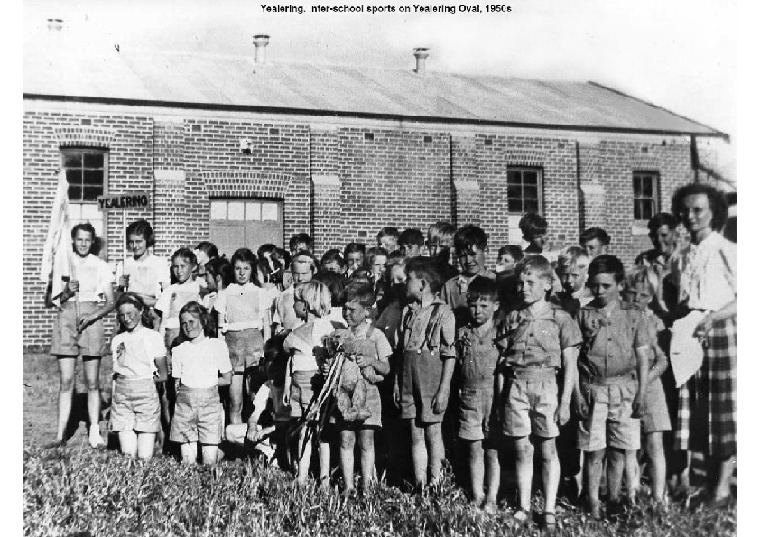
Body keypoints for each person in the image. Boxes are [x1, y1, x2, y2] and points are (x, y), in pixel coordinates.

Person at [498, 256, 581, 528]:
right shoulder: (513, 316)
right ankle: (523, 505)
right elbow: (501, 357)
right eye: (521, 282)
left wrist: (566, 401)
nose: (524, 288)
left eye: (531, 282)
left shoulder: (560, 317)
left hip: (547, 386)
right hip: (517, 384)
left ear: (546, 284)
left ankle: (548, 508)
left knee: (548, 449)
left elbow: (570, 364)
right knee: (522, 448)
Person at [670, 183, 736, 509]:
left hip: (721, 334)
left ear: (713, 211)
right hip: (690, 336)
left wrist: (714, 318)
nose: (690, 216)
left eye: (698, 209)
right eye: (686, 210)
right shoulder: (680, 256)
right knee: (700, 413)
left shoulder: (726, 248)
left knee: (722, 414)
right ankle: (706, 486)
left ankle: (721, 489)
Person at [574, 255, 649, 518]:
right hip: (593, 389)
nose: (600, 291)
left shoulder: (633, 314)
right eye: (595, 285)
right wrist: (578, 394)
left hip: (624, 390)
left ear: (619, 284)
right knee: (595, 450)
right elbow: (575, 359)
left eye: (606, 285)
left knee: (619, 448)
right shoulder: (583, 314)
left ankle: (615, 498)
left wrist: (641, 393)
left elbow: (642, 357)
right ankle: (593, 500)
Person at [45, 223, 115, 449]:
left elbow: (111, 302)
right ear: (73, 241)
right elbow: (50, 301)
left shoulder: (100, 265)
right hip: (67, 318)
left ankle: (94, 432)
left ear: (93, 241)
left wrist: (94, 315)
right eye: (80, 239)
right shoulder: (63, 264)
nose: (84, 244)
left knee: (92, 382)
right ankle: (60, 434)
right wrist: (66, 292)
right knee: (66, 381)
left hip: (91, 318)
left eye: (88, 240)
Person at [395, 257, 456, 488]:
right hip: (409, 379)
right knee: (415, 432)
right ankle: (420, 483)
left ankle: (436, 482)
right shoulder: (408, 313)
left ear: (423, 284)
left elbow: (450, 355)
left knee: (433, 432)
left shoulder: (444, 313)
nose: (405, 284)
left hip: (432, 380)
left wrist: (444, 389)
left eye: (408, 279)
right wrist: (398, 384)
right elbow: (402, 352)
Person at [332, 283, 392, 493]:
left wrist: (371, 361)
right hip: (344, 395)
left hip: (369, 394)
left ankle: (367, 485)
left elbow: (386, 368)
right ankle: (348, 485)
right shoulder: (339, 335)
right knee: (346, 438)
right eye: (345, 308)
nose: (347, 313)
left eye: (352, 310)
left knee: (366, 440)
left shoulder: (376, 335)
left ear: (367, 311)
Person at [622, 266, 671, 505]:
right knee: (629, 445)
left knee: (655, 444)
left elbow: (662, 360)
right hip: (627, 385)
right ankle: (631, 495)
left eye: (644, 295)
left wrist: (646, 380)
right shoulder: (620, 318)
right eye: (632, 293)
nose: (637, 300)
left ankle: (658, 497)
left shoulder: (655, 322)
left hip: (651, 387)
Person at [454, 278, 503, 513]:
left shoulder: (500, 333)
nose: (477, 311)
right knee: (474, 448)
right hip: (469, 395)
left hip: (494, 396)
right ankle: (477, 493)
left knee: (492, 449)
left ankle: (492, 496)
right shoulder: (463, 333)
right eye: (473, 305)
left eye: (484, 306)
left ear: (495, 305)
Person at [282, 281, 336, 487]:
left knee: (321, 432)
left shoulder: (323, 328)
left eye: (296, 301)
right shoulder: (298, 329)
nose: (293, 304)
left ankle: (324, 477)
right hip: (297, 385)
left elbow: (326, 360)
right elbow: (291, 361)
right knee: (303, 429)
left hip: (315, 385)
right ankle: (302, 475)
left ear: (306, 304)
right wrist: (287, 386)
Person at [213, 248, 271, 425]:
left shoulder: (260, 293)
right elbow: (220, 329)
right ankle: (235, 442)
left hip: (255, 350)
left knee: (256, 400)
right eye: (238, 268)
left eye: (246, 268)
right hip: (233, 352)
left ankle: (256, 444)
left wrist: (266, 353)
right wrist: (221, 356)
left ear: (252, 269)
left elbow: (267, 327)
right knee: (235, 401)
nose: (242, 273)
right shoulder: (224, 294)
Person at [169, 302, 232, 465]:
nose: (187, 326)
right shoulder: (179, 349)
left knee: (209, 462)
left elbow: (227, 378)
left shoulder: (216, 346)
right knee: (188, 462)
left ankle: (222, 451)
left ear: (203, 321)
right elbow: (177, 383)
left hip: (209, 406)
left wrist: (205, 380)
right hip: (185, 407)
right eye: (183, 323)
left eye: (191, 321)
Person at [109, 293, 168, 460]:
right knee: (128, 454)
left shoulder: (153, 337)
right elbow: (115, 375)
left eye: (130, 314)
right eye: (122, 315)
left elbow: (163, 375)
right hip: (122, 397)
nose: (126, 319)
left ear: (141, 311)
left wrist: (145, 382)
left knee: (144, 456)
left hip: (146, 395)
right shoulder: (117, 340)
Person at [441, 225, 496, 327]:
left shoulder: (495, 281)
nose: (468, 261)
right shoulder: (450, 286)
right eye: (462, 256)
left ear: (486, 251)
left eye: (473, 254)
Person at [635, 212, 681, 319]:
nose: (659, 240)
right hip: (654, 319)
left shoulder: (686, 258)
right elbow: (639, 294)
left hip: (681, 320)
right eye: (655, 236)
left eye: (664, 235)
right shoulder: (644, 260)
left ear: (674, 234)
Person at [155, 248, 202, 349]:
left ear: (193, 267)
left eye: (183, 266)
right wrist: (159, 345)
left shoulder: (199, 289)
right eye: (176, 267)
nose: (179, 271)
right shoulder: (170, 290)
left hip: (194, 337)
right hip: (173, 337)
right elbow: (163, 321)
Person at [273, 253, 316, 333]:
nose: (300, 278)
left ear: (312, 272)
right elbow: (278, 321)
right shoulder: (283, 296)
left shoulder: (318, 294)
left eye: (304, 274)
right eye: (296, 273)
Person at [551, 246, 593, 317]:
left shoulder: (590, 302)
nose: (569, 280)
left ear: (586, 276)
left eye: (575, 275)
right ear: (559, 274)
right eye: (565, 275)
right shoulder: (555, 300)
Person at [494, 245, 524, 313]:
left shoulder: (514, 283)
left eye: (506, 261)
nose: (501, 262)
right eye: (499, 258)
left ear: (515, 265)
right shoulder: (493, 279)